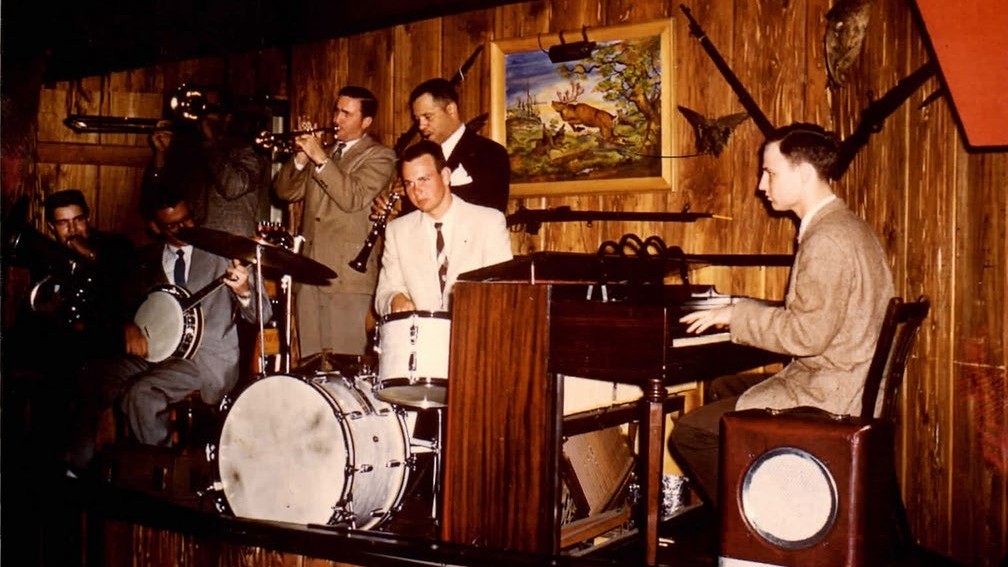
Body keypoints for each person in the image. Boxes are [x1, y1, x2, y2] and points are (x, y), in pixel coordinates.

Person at [669, 123, 896, 506]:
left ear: (804, 174)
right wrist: (743, 311)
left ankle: (761, 519)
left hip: (832, 396)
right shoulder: (847, 226)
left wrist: (738, 315)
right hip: (850, 378)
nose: (761, 185)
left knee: (692, 433)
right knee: (723, 386)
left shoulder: (826, 239)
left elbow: (806, 336)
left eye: (770, 173)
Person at [63, 189, 272, 473]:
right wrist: (128, 325)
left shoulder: (223, 255)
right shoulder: (145, 261)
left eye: (187, 221)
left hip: (205, 360)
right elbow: (123, 303)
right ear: (155, 227)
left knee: (141, 394)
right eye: (172, 226)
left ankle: (160, 476)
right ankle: (78, 466)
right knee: (92, 376)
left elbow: (263, 314)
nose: (184, 230)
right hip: (157, 352)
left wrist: (244, 290)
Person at [273, 85, 396, 357]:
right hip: (310, 273)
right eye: (336, 110)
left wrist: (318, 156)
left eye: (346, 114)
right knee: (310, 365)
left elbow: (353, 197)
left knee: (345, 365)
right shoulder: (325, 154)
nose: (335, 119)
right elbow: (284, 191)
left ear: (366, 122)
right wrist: (302, 157)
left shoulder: (381, 156)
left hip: (348, 279)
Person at [375, 140, 512, 317]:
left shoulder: (489, 222)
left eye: (424, 179)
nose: (417, 191)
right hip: (420, 339)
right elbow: (385, 292)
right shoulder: (397, 230)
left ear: (446, 176)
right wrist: (394, 299)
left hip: (474, 334)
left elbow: (502, 292)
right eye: (409, 183)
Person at [141, 85, 271, 237]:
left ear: (227, 117)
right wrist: (161, 154)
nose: (203, 116)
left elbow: (232, 188)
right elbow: (159, 198)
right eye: (199, 108)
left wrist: (211, 142)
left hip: (231, 250)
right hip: (196, 247)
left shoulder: (246, 149)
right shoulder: (191, 148)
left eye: (210, 110)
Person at [378, 77, 511, 218]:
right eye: (418, 119)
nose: (421, 126)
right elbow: (418, 221)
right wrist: (396, 220)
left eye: (428, 117)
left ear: (451, 110)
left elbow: (491, 215)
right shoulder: (419, 157)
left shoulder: (490, 153)